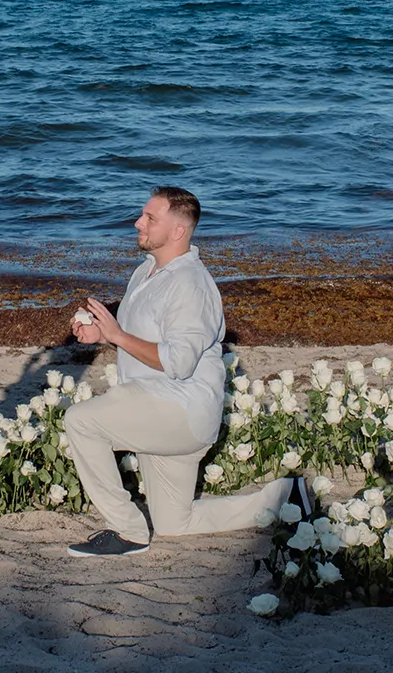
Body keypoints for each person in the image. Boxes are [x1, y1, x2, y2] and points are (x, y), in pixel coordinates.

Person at [61, 186, 294, 556]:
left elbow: (178, 362)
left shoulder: (189, 284)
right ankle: (285, 497)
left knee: (81, 421)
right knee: (174, 523)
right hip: (160, 409)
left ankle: (126, 531)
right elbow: (143, 338)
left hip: (180, 410)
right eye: (143, 214)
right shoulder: (147, 271)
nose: (139, 222)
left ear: (178, 231)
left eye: (150, 218)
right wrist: (103, 335)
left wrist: (118, 335)